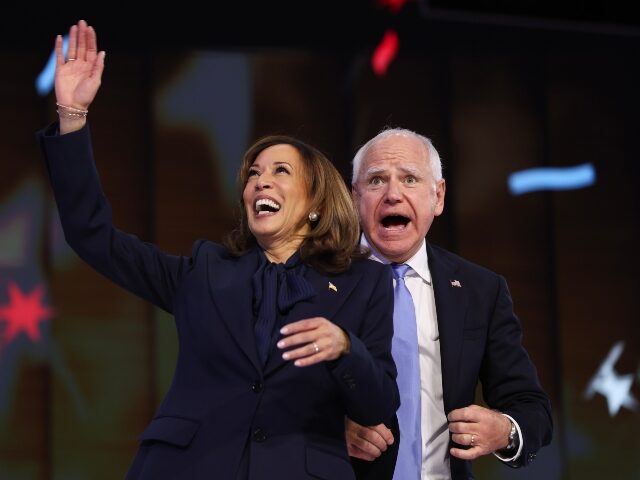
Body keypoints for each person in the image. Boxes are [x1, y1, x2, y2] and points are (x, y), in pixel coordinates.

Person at [37, 21, 399, 480]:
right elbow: (93, 236)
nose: (260, 180)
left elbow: (381, 402)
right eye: (253, 173)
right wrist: (72, 116)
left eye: (280, 171)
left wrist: (345, 348)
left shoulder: (363, 283)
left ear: (316, 204)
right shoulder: (204, 271)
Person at [346, 128, 553, 480]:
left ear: (438, 197)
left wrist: (504, 430)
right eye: (377, 180)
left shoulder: (481, 290)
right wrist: (329, 429)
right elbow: (268, 397)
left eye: (410, 178)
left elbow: (531, 408)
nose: (393, 194)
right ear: (354, 198)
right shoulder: (316, 279)